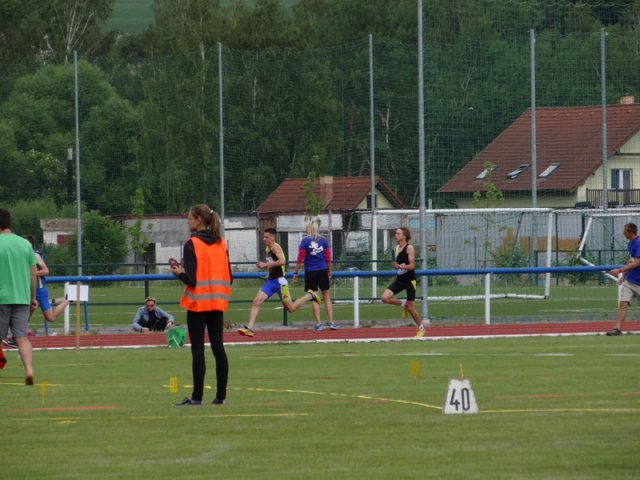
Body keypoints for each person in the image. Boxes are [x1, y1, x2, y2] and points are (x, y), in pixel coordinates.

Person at [170, 205, 232, 406]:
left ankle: (197, 397)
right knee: (218, 348)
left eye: (189, 218)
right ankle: (220, 397)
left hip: (198, 303)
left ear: (198, 220)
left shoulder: (192, 244)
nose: (187, 222)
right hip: (217, 302)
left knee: (198, 349)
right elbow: (229, 277)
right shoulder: (222, 243)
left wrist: (179, 273)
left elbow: (192, 280)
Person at [238, 228, 320, 337]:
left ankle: (310, 295)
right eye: (263, 237)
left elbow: (282, 261)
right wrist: (269, 273)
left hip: (280, 283)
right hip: (270, 282)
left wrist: (264, 265)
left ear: (273, 237)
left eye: (266, 237)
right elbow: (274, 264)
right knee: (256, 301)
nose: (264, 239)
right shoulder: (268, 248)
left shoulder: (275, 246)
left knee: (291, 308)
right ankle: (250, 328)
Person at [0, 208, 38, 385]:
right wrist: (32, 297)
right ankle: (29, 369)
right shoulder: (25, 244)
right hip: (22, 297)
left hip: (1, 297)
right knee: (21, 336)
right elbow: (33, 274)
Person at [381, 227, 425, 338]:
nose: (396, 235)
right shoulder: (396, 248)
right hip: (400, 280)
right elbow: (398, 265)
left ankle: (421, 328)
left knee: (411, 307)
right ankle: (403, 304)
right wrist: (395, 265)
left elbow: (412, 266)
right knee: (385, 298)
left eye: (398, 233)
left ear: (404, 236)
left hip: (410, 280)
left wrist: (399, 266)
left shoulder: (409, 248)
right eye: (396, 233)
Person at [293, 220, 336, 331]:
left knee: (314, 297)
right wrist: (329, 272)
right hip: (323, 270)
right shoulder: (324, 241)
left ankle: (319, 323)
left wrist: (296, 272)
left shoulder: (305, 241)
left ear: (308, 229)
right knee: (326, 296)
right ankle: (331, 322)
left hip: (310, 271)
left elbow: (300, 258)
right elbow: (328, 258)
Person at [23, 235, 71, 323]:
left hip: (40, 290)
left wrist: (31, 274)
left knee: (50, 318)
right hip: (27, 289)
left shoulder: (35, 255)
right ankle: (20, 334)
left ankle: (69, 300)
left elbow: (45, 270)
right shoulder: (21, 256)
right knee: (24, 317)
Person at [607, 222, 640, 336]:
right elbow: (631, 261)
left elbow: (637, 262)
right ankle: (617, 328)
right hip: (630, 281)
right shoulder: (630, 244)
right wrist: (624, 275)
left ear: (630, 232)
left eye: (625, 231)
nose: (623, 233)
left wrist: (620, 270)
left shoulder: (638, 243)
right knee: (623, 303)